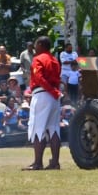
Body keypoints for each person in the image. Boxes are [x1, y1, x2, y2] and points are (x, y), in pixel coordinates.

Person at [26, 36, 63, 170]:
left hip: (42, 94)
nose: (34, 47)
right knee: (54, 130)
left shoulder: (38, 59)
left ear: (41, 45)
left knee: (38, 128)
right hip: (54, 97)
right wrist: (55, 92)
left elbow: (39, 78)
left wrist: (51, 91)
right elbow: (57, 78)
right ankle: (55, 162)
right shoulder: (54, 60)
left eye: (36, 44)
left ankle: (37, 163)